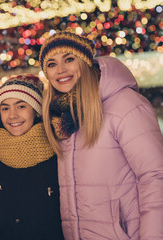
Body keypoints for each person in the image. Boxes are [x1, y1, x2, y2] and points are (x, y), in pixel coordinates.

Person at [39, 31, 163, 239]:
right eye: (51, 64)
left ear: (85, 63)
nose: (60, 70)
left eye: (69, 59)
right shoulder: (62, 118)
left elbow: (155, 177)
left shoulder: (125, 105)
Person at [0, 74, 65, 240]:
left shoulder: (57, 155)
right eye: (5, 108)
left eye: (21, 106)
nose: (12, 115)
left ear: (36, 111)